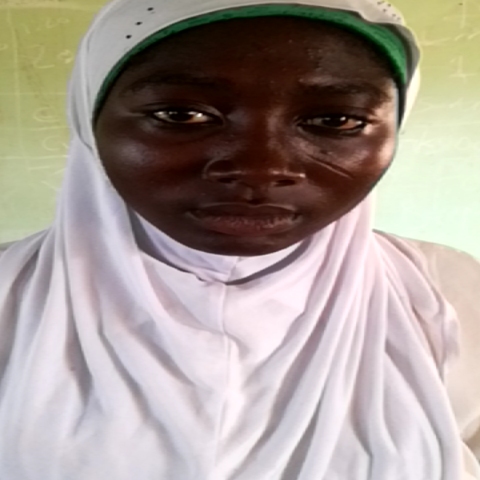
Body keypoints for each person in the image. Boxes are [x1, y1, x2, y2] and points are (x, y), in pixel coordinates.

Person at [0, 0, 479, 478]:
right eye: (182, 114)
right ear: (89, 119)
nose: (260, 168)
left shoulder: (451, 295)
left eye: (336, 121)